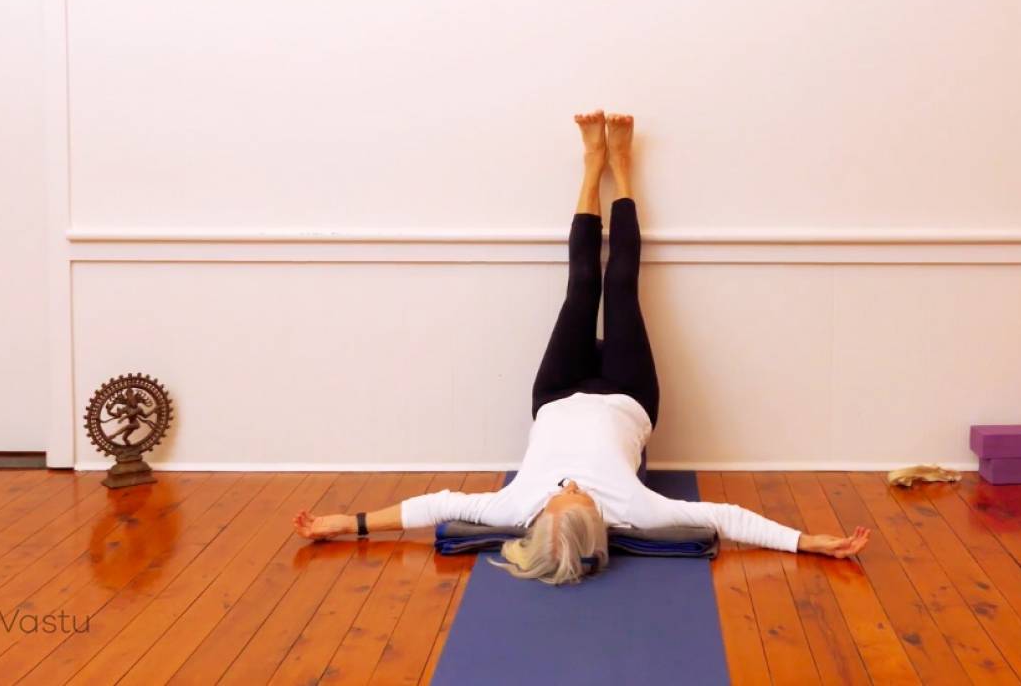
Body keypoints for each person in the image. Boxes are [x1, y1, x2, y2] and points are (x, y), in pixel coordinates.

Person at [295, 112, 871, 585]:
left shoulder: (513, 508)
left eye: (559, 499)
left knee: (580, 284)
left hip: (557, 392)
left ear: (540, 520)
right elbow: (723, 517)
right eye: (581, 501)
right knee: (618, 285)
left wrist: (349, 523)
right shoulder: (634, 510)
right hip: (627, 396)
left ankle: (590, 166)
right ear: (600, 523)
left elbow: (435, 507)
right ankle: (621, 169)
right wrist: (807, 541)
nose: (570, 488)